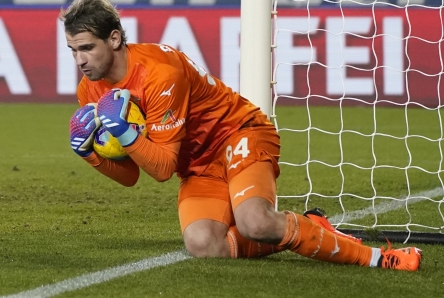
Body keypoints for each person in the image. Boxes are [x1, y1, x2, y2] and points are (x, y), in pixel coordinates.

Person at [61, 0, 421, 271]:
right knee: (203, 244)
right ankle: (309, 226)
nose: (80, 60)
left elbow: (161, 169)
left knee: (256, 222)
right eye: (73, 50)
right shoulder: (90, 92)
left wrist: (122, 131)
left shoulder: (159, 73)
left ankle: (379, 257)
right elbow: (133, 173)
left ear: (115, 38)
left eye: (87, 47)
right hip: (199, 166)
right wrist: (91, 155)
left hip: (237, 133)